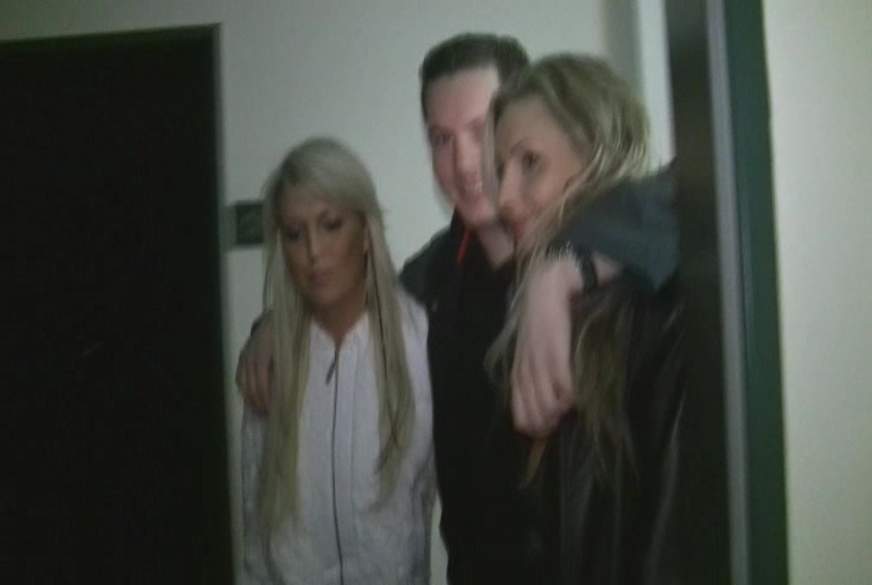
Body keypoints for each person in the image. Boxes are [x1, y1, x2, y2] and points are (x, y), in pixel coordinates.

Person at [237, 34, 679, 584]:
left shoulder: (613, 259)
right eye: (441, 139)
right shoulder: (432, 279)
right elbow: (348, 298)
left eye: (480, 129)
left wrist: (569, 265)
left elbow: (692, 188)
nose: (465, 163)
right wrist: (272, 327)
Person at [488, 53, 684, 584]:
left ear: (599, 153)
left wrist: (566, 264)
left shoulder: (653, 311)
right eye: (500, 171)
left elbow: (698, 179)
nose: (503, 199)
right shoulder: (539, 307)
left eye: (530, 163)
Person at [241, 137, 434, 585]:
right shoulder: (270, 361)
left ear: (365, 232)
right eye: (294, 234)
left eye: (331, 225)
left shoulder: (420, 343)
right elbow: (255, 518)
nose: (314, 251)